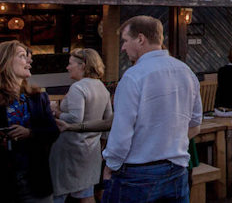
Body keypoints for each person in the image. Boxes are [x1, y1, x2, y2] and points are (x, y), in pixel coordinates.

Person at [101, 15, 202, 203]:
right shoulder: (186, 72)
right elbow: (195, 124)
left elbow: (121, 133)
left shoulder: (133, 77)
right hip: (177, 169)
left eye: (125, 40)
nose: (123, 47)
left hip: (138, 174)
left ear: (141, 39)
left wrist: (110, 165)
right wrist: (168, 143)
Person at [49, 48, 112, 203]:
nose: (67, 67)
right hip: (91, 151)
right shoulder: (101, 87)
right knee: (86, 194)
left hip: (70, 151)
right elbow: (108, 120)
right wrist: (102, 142)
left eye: (70, 64)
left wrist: (56, 112)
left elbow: (75, 118)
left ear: (83, 65)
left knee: (59, 194)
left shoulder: (78, 88)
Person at [0, 40, 59, 203]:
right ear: (5, 62)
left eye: (28, 57)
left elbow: (53, 132)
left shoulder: (38, 98)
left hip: (36, 182)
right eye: (22, 56)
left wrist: (30, 133)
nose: (28, 61)